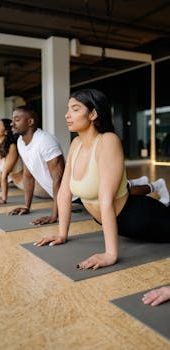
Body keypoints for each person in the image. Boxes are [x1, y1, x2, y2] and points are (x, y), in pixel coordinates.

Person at [35, 88, 170, 270]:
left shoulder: (108, 141)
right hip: (122, 226)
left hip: (141, 218)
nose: (67, 115)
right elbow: (64, 192)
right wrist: (62, 234)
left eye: (75, 109)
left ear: (93, 114)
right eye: (68, 109)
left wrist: (110, 254)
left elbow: (106, 200)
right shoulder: (76, 144)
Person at [9, 105, 65, 225]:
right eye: (12, 119)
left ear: (30, 122)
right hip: (61, 199)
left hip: (77, 199)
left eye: (17, 120)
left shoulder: (45, 140)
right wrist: (27, 207)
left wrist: (54, 215)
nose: (12, 123)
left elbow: (58, 179)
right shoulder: (20, 142)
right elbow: (28, 175)